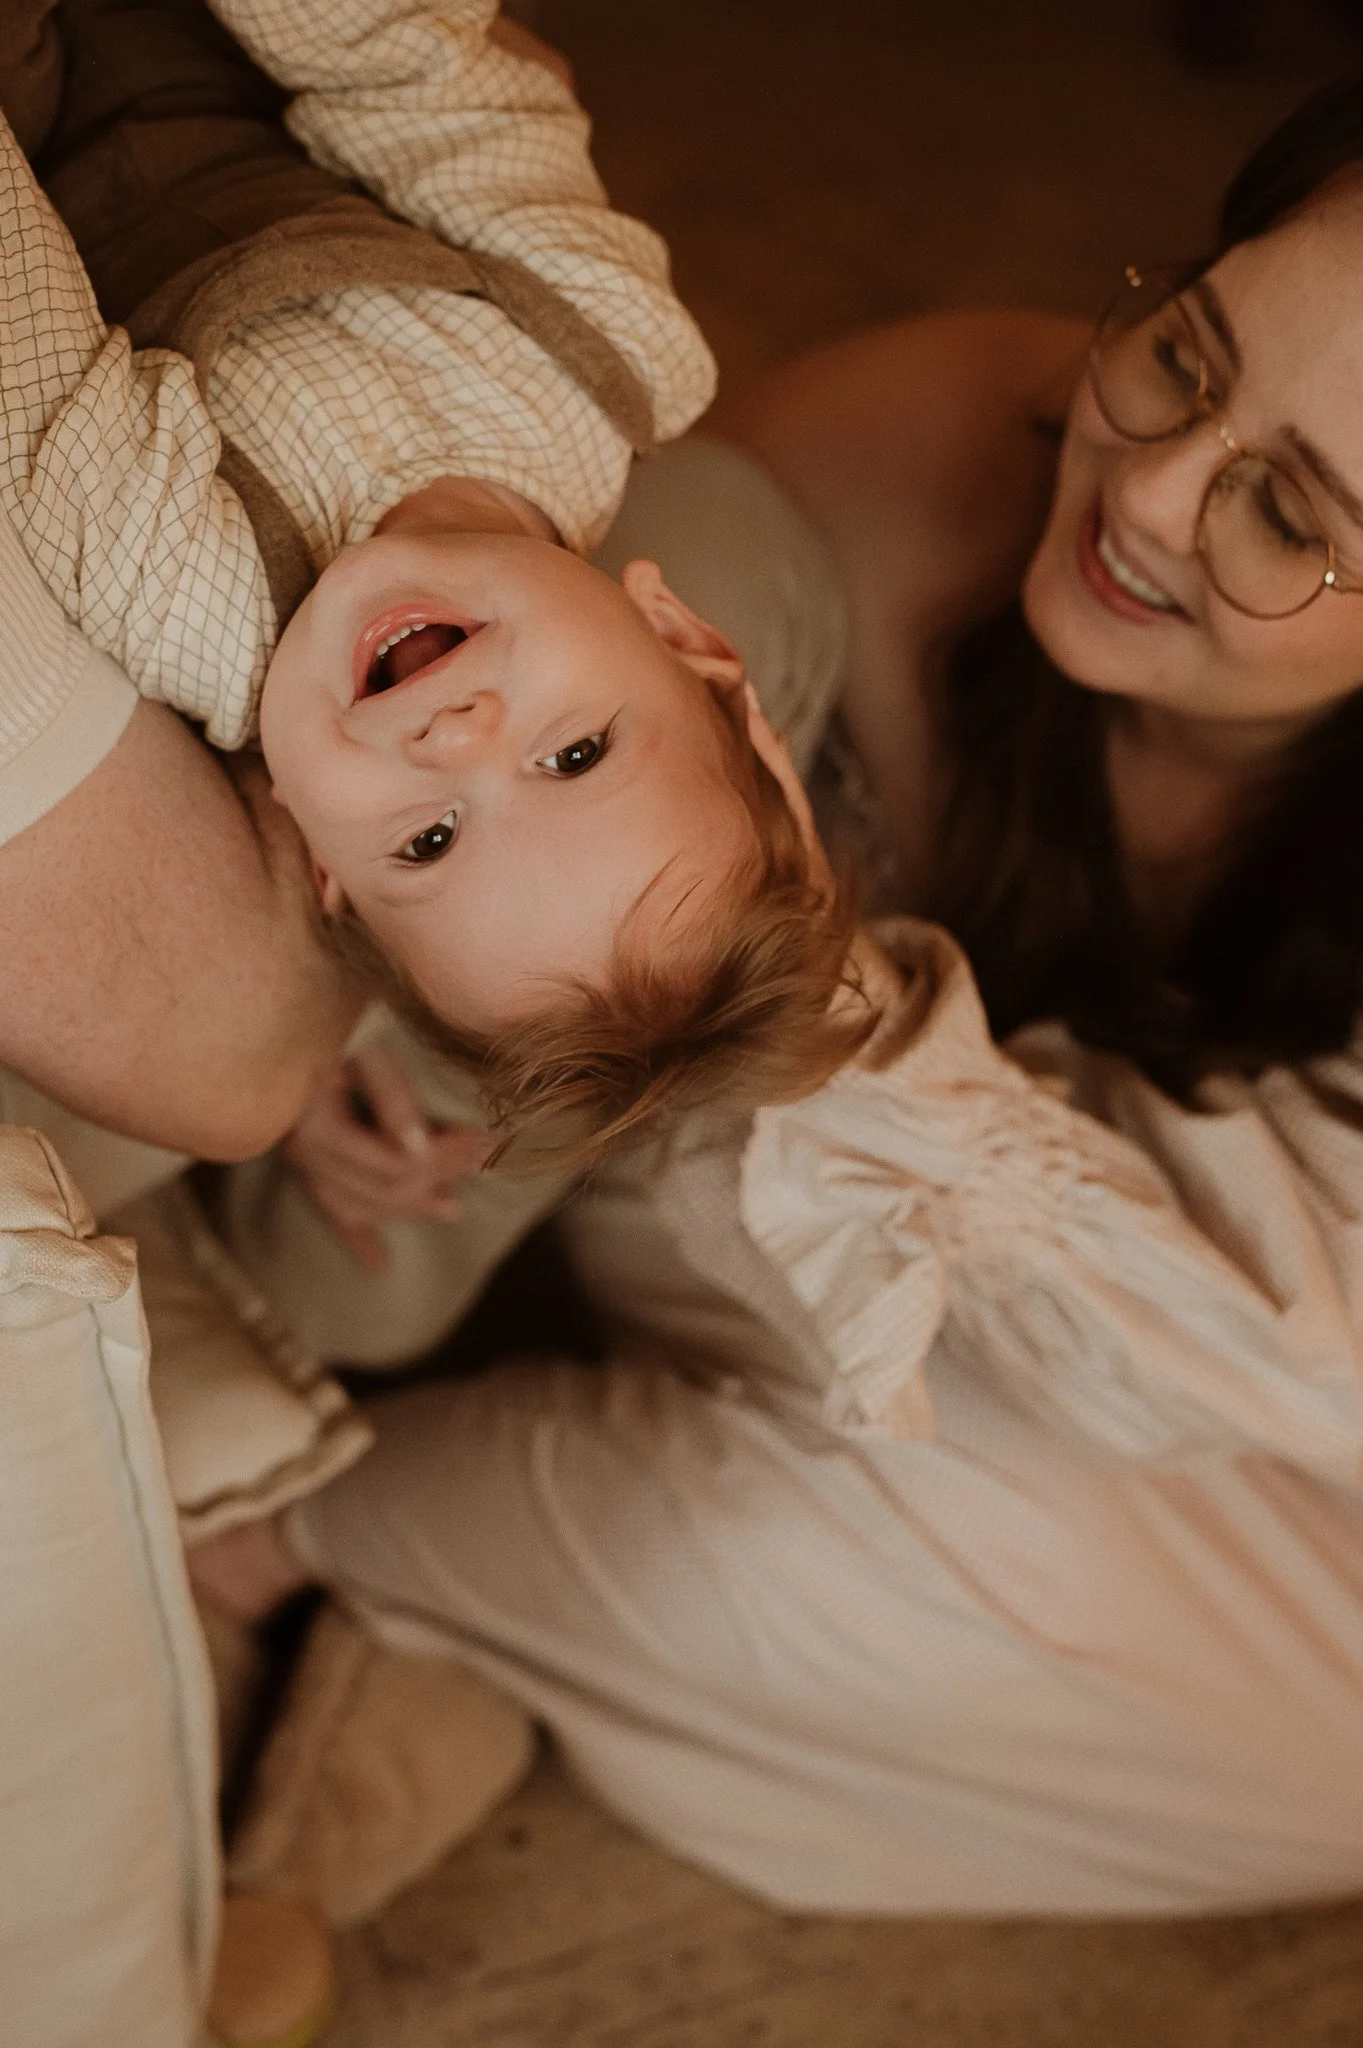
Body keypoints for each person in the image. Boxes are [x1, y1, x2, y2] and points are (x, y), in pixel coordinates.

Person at [204, 79, 1363, 1918]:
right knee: (819, 1391)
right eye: (1182, 354)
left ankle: (439, 1594)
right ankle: (356, 1550)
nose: (1143, 489)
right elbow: (476, 739)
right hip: (718, 1197)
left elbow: (1289, 1358)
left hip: (1154, 1339)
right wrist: (381, 998)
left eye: (1286, 512)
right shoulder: (907, 465)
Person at [0, 0, 858, 1155]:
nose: (457, 738)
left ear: (312, 851)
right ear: (680, 632)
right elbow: (424, 74)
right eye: (575, 755)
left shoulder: (199, 605)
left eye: (429, 843)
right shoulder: (608, 353)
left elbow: (24, 350)